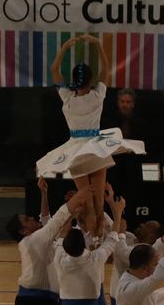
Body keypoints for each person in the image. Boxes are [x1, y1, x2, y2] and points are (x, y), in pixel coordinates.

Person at [38, 34, 145, 230]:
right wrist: (97, 45)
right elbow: (106, 70)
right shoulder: (97, 95)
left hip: (77, 150)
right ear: (91, 80)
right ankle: (97, 239)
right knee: (98, 202)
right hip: (96, 148)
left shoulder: (67, 97)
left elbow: (54, 70)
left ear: (74, 79)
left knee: (85, 199)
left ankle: (91, 239)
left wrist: (65, 47)